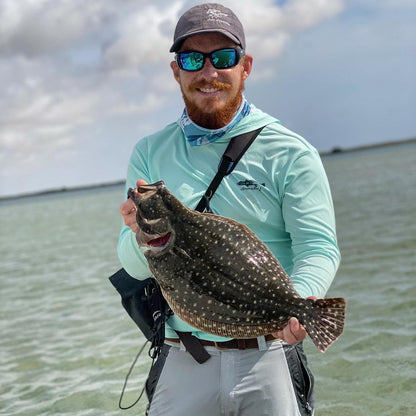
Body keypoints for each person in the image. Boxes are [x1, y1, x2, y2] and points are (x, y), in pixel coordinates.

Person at [118, 3, 340, 415]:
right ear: (175, 71)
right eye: (192, 59)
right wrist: (139, 237)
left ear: (246, 65)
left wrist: (302, 301)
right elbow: (132, 265)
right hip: (182, 356)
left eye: (222, 58)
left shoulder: (291, 151)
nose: (208, 72)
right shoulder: (149, 152)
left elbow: (318, 246)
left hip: (268, 354)